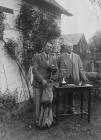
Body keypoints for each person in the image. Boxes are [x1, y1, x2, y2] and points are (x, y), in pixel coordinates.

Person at [58, 42, 88, 113]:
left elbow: (80, 68)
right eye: (68, 47)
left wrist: (84, 77)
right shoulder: (61, 57)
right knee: (64, 94)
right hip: (65, 79)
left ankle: (71, 108)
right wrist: (60, 75)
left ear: (72, 48)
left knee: (72, 93)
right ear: (65, 48)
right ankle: (65, 109)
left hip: (74, 78)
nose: (70, 48)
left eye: (71, 47)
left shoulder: (77, 57)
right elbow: (58, 68)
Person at [32, 42, 57, 128]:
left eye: (51, 47)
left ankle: (47, 121)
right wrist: (42, 80)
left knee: (48, 104)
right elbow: (34, 70)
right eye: (48, 46)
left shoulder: (53, 58)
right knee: (38, 104)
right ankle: (38, 122)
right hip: (38, 84)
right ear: (44, 47)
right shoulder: (37, 56)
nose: (49, 48)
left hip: (48, 86)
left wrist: (53, 78)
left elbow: (56, 71)